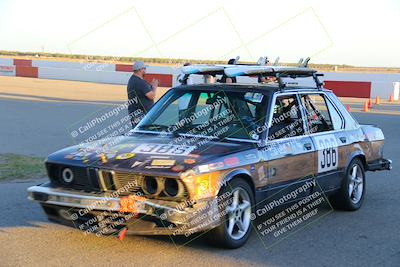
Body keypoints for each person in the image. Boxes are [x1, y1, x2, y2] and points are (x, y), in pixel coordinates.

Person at [127, 61, 158, 127]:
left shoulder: (132, 80)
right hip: (141, 114)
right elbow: (151, 96)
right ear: (140, 69)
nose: (145, 70)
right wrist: (154, 87)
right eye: (144, 68)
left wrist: (151, 87)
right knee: (143, 133)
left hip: (135, 112)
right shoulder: (140, 82)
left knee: (137, 133)